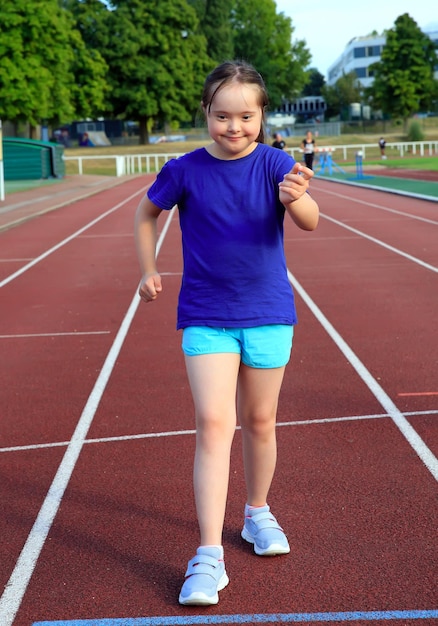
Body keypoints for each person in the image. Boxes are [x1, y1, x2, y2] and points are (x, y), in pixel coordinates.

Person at [134, 60, 319, 607]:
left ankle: (257, 513)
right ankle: (208, 556)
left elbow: (310, 220)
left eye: (245, 116)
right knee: (214, 424)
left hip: (267, 311)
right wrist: (147, 267)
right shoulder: (184, 169)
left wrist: (296, 198)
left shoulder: (275, 164)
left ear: (262, 115)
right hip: (206, 313)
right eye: (221, 115)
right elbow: (146, 215)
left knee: (261, 421)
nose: (233, 127)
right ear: (206, 114)